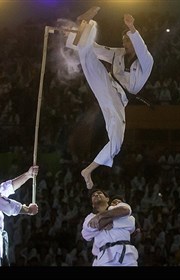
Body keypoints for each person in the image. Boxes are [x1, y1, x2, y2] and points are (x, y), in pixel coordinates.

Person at [66, 7, 154, 189]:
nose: (125, 42)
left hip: (118, 100)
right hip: (106, 87)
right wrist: (79, 29)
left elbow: (142, 49)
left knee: (116, 143)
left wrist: (132, 28)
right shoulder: (117, 53)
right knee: (87, 54)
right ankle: (84, 22)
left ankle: (88, 170)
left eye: (128, 39)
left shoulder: (146, 61)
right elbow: (95, 49)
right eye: (124, 39)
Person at [81, 189, 138, 266]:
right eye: (93, 195)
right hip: (104, 258)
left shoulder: (119, 206)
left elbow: (126, 211)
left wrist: (100, 216)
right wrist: (114, 218)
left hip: (126, 255)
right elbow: (94, 227)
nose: (96, 195)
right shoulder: (90, 217)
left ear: (107, 199)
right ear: (92, 204)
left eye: (99, 193)